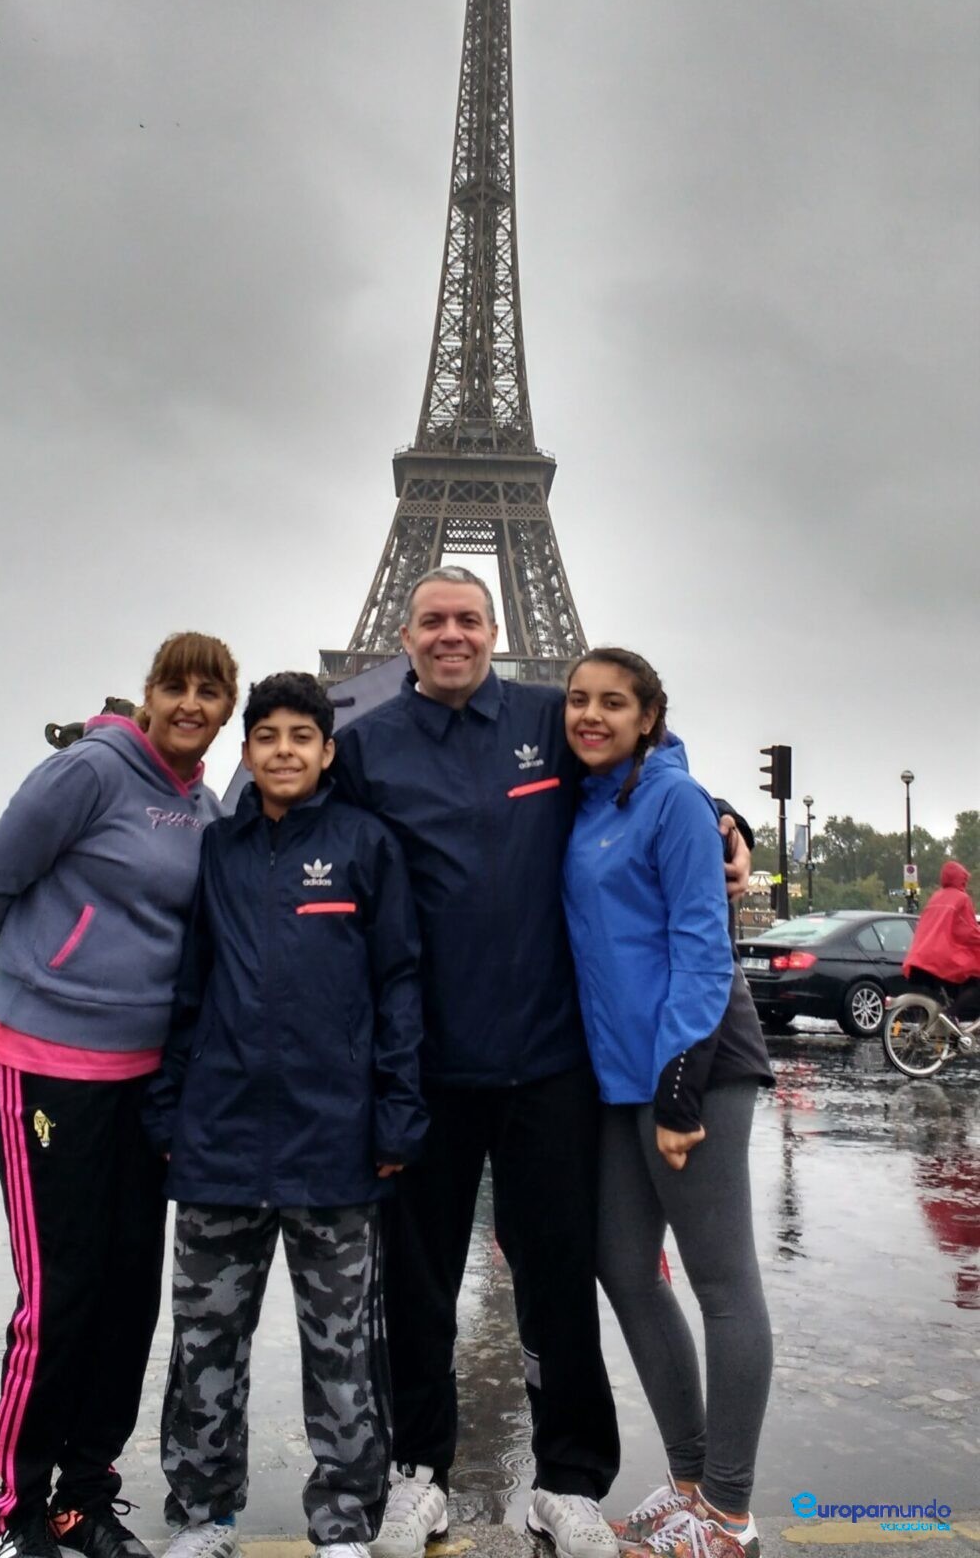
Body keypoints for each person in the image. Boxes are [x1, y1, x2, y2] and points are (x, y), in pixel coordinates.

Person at [334, 569, 752, 1558]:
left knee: (558, 1279)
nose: (451, 635)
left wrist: (718, 808)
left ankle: (569, 1478)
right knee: (417, 1281)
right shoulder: (363, 748)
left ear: (494, 629)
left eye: (468, 620)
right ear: (406, 632)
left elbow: (640, 761)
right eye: (432, 621)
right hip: (430, 1061)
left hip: (548, 1062)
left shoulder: (547, 718)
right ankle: (416, 1468)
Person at [0, 633, 239, 1558]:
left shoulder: (206, 805)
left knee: (128, 1294)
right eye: (175, 686)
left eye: (209, 691)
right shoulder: (88, 772)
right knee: (59, 1292)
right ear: (149, 695)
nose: (191, 703)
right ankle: (16, 1513)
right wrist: (53, 977)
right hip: (48, 1064)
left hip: (145, 1078)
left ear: (228, 709)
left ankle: (83, 1496)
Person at [143, 672, 427, 1558]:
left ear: (328, 750)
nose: (284, 752)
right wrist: (167, 1111)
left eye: (301, 737)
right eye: (267, 737)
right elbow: (189, 990)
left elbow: (400, 986)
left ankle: (343, 1521)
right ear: (247, 751)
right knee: (204, 1347)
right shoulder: (217, 853)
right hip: (221, 1134)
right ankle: (203, 1514)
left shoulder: (365, 845)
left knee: (341, 1352)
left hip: (333, 1139)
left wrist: (396, 1112)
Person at [561, 649, 773, 1558]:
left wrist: (679, 1084)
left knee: (722, 1282)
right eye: (578, 700)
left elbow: (702, 943)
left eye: (615, 703)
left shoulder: (676, 802)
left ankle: (729, 1512)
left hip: (694, 1067)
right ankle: (689, 1480)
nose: (591, 715)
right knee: (623, 1266)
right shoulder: (589, 799)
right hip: (619, 1075)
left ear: (651, 717)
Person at [902, 861, 980, 1023]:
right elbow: (969, 931)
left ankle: (950, 1029)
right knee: (975, 983)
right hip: (941, 958)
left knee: (955, 992)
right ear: (961, 879)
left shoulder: (936, 897)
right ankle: (951, 1015)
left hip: (920, 957)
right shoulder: (961, 899)